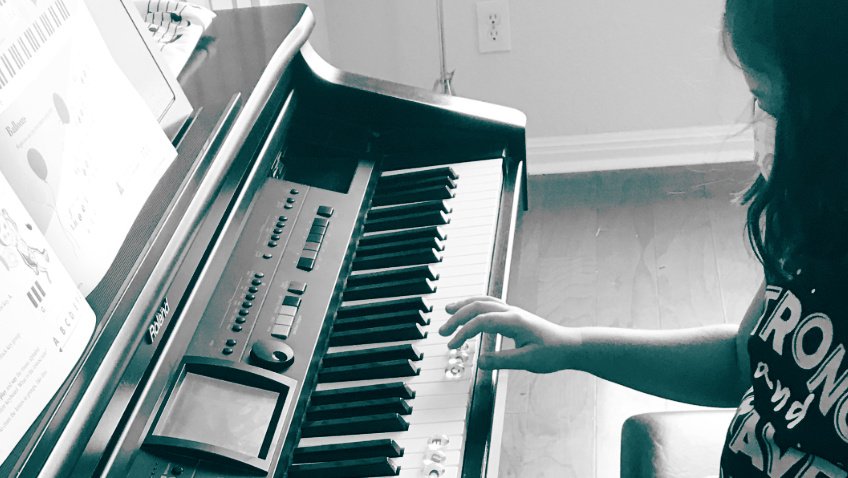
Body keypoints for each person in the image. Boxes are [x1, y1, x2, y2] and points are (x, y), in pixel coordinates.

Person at [439, 1, 848, 476]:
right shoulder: (816, 226)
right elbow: (747, 362)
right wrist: (572, 344)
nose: (760, 125)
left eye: (768, 102)